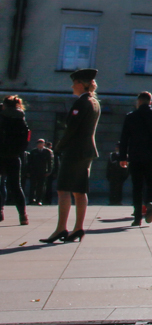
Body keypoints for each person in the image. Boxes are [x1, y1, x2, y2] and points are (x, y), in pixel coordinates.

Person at [42, 68, 100, 244]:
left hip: (75, 150)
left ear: (81, 85)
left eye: (75, 82)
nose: (72, 85)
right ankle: (78, 228)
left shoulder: (81, 103)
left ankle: (61, 228)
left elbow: (71, 129)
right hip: (87, 150)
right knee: (80, 190)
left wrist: (59, 147)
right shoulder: (94, 102)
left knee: (63, 189)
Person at [120, 91, 152, 226]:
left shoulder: (131, 116)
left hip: (136, 156)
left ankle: (137, 217)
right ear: (150, 102)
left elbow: (124, 138)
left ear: (139, 101)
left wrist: (123, 157)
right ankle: (150, 203)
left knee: (137, 187)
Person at [0, 96, 29, 226]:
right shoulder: (21, 118)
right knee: (16, 186)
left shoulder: (2, 116)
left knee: (1, 185)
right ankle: (23, 216)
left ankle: (0, 211)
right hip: (14, 156)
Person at [27, 139, 53, 206]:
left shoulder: (47, 152)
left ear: (44, 144)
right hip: (34, 171)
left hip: (43, 171)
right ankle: (31, 199)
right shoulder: (33, 152)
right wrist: (28, 171)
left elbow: (50, 162)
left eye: (41, 143)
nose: (40, 144)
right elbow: (29, 162)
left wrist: (49, 171)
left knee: (41, 186)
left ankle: (39, 199)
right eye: (39, 143)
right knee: (32, 186)